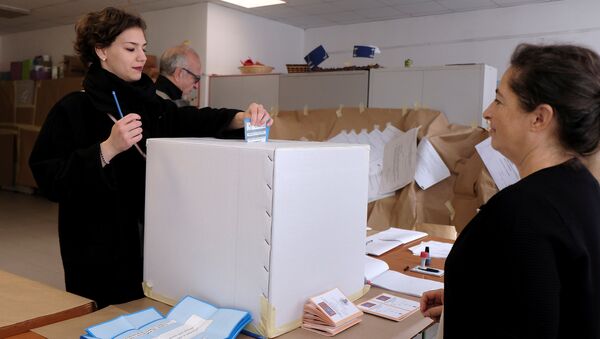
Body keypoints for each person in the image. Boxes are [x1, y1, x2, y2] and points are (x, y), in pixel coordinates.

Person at [29, 7, 272, 309]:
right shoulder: (73, 108)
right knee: (104, 318)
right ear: (101, 50)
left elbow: (188, 120)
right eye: (131, 49)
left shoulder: (148, 102)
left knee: (145, 312)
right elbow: (49, 179)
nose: (142, 57)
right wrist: (106, 149)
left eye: (143, 48)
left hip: (148, 241)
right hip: (96, 249)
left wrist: (240, 118)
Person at [421, 43, 600, 338]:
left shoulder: (521, 214)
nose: (487, 112)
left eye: (499, 101)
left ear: (539, 118)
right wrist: (469, 302)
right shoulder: (583, 189)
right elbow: (561, 301)